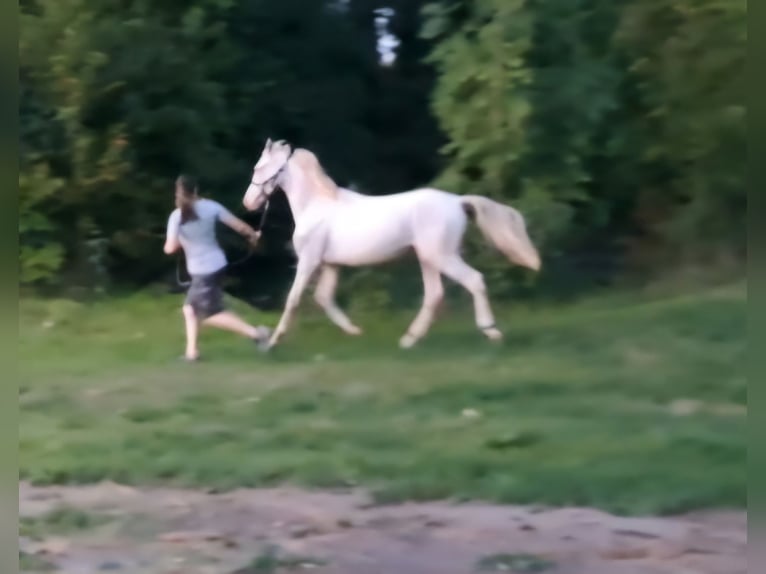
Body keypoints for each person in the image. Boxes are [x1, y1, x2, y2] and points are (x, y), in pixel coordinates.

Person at [164, 174, 271, 361]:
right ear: (196, 190)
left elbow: (170, 248)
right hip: (216, 265)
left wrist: (182, 240)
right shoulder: (211, 207)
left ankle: (257, 334)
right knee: (190, 310)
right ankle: (192, 353)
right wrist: (254, 235)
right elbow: (239, 227)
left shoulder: (176, 217)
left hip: (202, 272)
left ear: (178, 194)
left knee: (208, 314)